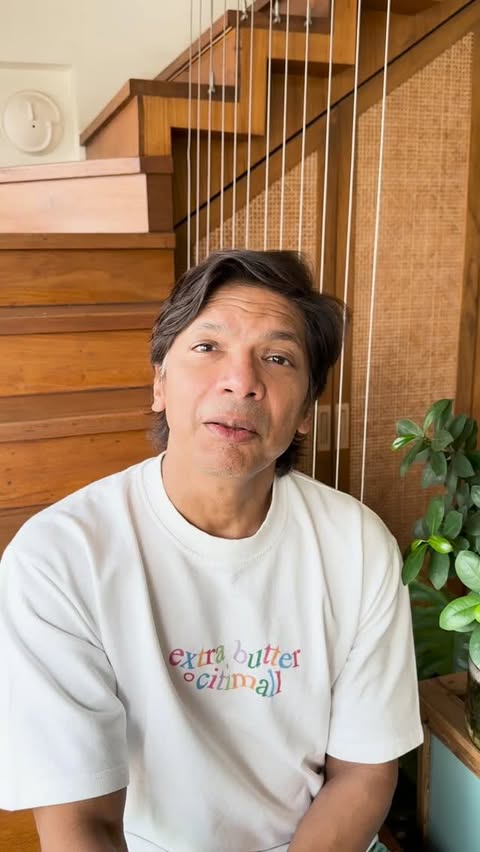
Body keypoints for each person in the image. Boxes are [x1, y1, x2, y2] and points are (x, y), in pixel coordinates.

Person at [0, 249, 423, 852]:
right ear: (159, 382)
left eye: (277, 358)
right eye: (207, 347)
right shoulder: (59, 558)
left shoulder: (356, 545)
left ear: (306, 410)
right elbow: (80, 821)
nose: (241, 381)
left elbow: (363, 773)